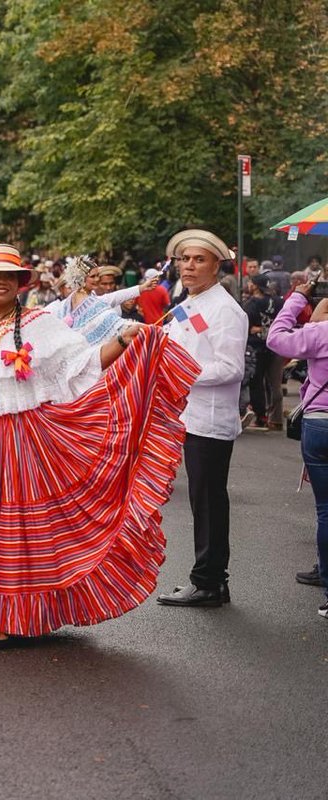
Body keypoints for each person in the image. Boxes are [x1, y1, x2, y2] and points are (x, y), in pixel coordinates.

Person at [0, 244, 199, 647]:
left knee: (15, 529)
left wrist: (124, 340)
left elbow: (82, 364)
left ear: (21, 283)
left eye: (9, 276)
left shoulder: (39, 324)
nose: (1, 282)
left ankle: (12, 616)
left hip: (21, 441)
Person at [157, 230, 249, 608]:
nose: (189, 266)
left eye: (199, 260)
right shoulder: (191, 302)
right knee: (203, 500)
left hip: (209, 420)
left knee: (208, 502)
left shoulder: (224, 310)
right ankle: (211, 580)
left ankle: (208, 582)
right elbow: (172, 338)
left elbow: (230, 368)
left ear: (216, 266)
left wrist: (179, 373)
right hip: (189, 417)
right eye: (185, 259)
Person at [267, 276, 328, 618]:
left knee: (326, 511)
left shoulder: (320, 333)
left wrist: (297, 298)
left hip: (320, 423)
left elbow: (276, 339)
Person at [241, 274, 282, 430]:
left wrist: (258, 329)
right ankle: (276, 419)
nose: (248, 285)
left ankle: (261, 416)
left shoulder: (251, 304)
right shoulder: (279, 302)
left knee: (256, 383)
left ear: (255, 286)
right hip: (276, 346)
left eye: (250, 282)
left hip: (255, 348)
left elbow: (246, 327)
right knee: (275, 384)